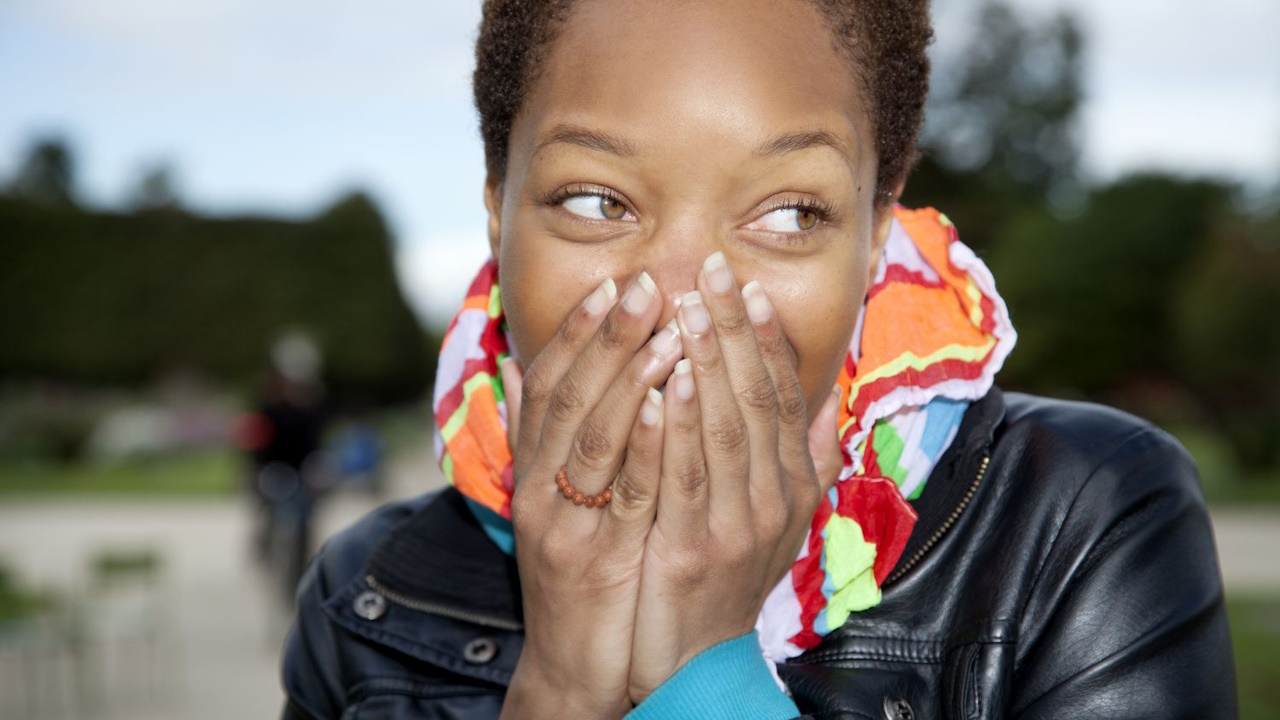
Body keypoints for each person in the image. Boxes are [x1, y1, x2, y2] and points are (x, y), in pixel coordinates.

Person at [280, 0, 1236, 717]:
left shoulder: (1083, 524)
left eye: (789, 213)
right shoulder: (366, 596)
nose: (687, 294)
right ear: (497, 205)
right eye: (597, 201)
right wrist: (564, 688)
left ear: (875, 228)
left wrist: (707, 669)